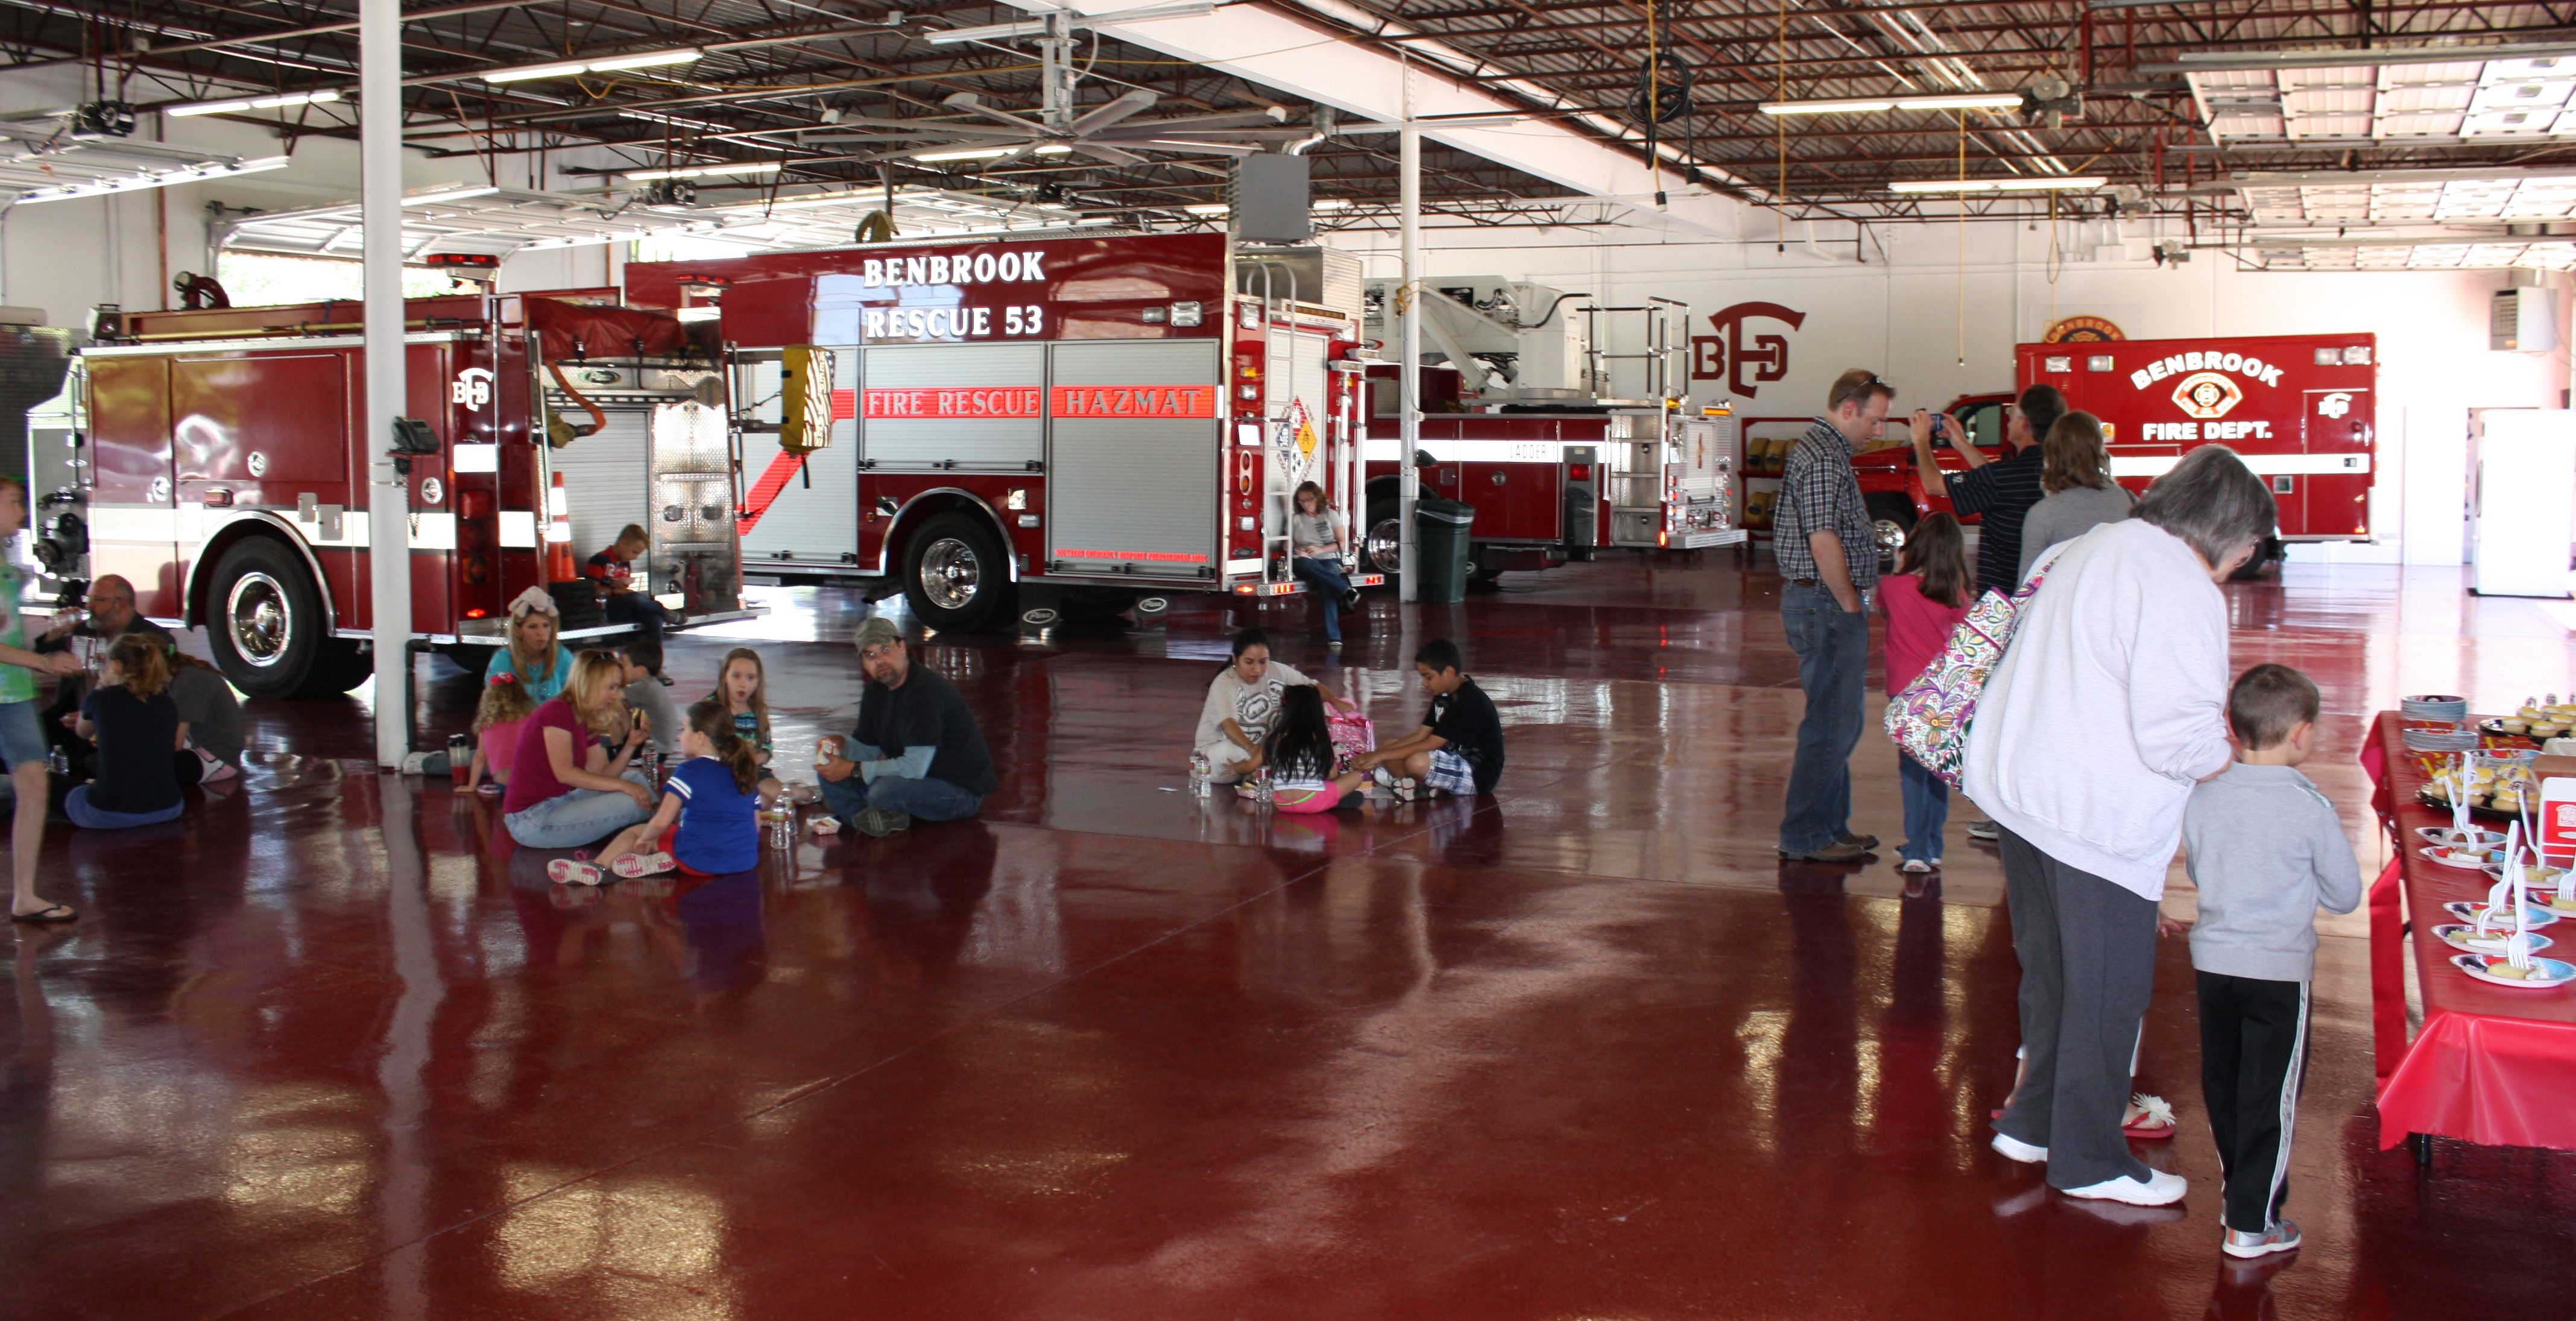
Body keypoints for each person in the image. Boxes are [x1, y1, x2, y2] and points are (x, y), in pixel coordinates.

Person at [1968, 444, 2278, 1208]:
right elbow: (2176, 735)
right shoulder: (2179, 583)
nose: (2246, 561)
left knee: (2053, 974)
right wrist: (2236, 760)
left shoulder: (2095, 543)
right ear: (2230, 530)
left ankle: (2032, 1124)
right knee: (2108, 990)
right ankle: (2090, 1159)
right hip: (2090, 814)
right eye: (2251, 544)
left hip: (2023, 789)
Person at [2183, 663, 2361, 1259]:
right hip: (2279, 971)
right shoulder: (2310, 806)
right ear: (2303, 734)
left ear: (2233, 728)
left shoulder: (2204, 795)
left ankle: (2241, 1194)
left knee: (2225, 1083)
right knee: (2271, 1095)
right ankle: (2252, 1223)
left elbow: (2198, 868)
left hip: (2215, 964)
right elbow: (2344, 895)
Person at [1775, 368, 1889, 863]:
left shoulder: (1827, 453)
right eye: (1875, 420)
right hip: (1826, 603)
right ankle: (1806, 834)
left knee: (1839, 720)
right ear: (1849, 409)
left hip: (1823, 601)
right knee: (1831, 725)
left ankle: (1829, 826)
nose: (1879, 431)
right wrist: (1848, 602)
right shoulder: (1824, 458)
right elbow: (1823, 539)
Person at [816, 616, 995, 836]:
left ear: (902, 647)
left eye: (885, 650)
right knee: (828, 769)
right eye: (870, 655)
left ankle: (860, 808)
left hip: (958, 789)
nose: (880, 660)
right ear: (863, 662)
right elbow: (868, 750)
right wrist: (841, 746)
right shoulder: (875, 691)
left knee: (883, 791)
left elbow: (914, 768)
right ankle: (865, 818)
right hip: (910, 778)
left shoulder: (924, 692)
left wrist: (853, 769)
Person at [553, 698, 762, 885]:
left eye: (684, 729)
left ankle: (596, 866)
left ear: (700, 737)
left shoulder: (689, 771)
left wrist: (644, 838)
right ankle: (658, 859)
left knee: (639, 832)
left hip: (699, 863)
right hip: (744, 861)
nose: (679, 736)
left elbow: (661, 822)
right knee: (680, 833)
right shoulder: (744, 770)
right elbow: (756, 825)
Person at [0, 481, 85, 921]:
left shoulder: (5, 567)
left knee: (34, 783)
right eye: (13, 502)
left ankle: (26, 896)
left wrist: (48, 637)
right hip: (12, 686)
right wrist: (44, 662)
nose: (22, 511)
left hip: (12, 693)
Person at [1880, 512, 1974, 881]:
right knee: (1937, 770)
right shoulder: (1955, 594)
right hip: (1944, 690)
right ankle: (1933, 846)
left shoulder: (1893, 588)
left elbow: (1884, 609)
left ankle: (1916, 850)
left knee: (1912, 772)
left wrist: (1899, 566)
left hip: (1905, 689)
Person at [1906, 383, 2065, 596]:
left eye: (2012, 413)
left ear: (2025, 424)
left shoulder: (2002, 477)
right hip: (2045, 593)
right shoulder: (2058, 472)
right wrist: (1961, 443)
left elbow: (1933, 484)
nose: (2008, 419)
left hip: (2003, 600)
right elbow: (1994, 478)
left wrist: (1921, 441)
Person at [502, 650, 657, 850]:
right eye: (611, 688)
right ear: (589, 683)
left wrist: (630, 746)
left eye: (617, 688)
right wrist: (622, 786)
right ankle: (654, 834)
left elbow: (601, 773)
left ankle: (650, 830)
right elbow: (565, 773)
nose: (616, 695)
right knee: (631, 799)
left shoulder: (584, 715)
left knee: (635, 781)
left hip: (560, 801)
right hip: (532, 819)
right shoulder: (557, 711)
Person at [36, 573, 176, 774]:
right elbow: (43, 663)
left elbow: (151, 693)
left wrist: (95, 716)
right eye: (88, 599)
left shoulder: (153, 639)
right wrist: (55, 634)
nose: (89, 606)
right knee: (30, 732)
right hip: (76, 714)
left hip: (123, 719)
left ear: (120, 604)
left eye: (97, 600)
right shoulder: (85, 631)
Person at [1348, 638, 1503, 800]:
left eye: (1429, 677)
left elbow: (1432, 743)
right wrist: (1378, 753)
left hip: (1477, 774)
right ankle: (1411, 785)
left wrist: (1379, 757)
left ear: (1449, 672)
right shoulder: (1444, 694)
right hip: (1450, 758)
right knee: (1387, 746)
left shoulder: (1468, 700)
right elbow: (1421, 734)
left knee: (1416, 762)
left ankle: (1411, 783)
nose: (1424, 683)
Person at [1192, 628, 1351, 784]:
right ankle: (1269, 769)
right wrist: (1253, 750)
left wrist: (1335, 701)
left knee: (1320, 708)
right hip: (1220, 756)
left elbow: (1311, 688)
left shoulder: (1278, 670)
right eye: (1249, 662)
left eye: (1263, 662)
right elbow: (1228, 725)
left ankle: (1264, 770)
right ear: (1235, 659)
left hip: (1264, 751)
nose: (1257, 669)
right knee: (1240, 752)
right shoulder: (1225, 683)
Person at [68, 634, 184, 829]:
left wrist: (101, 684)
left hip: (109, 811)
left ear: (115, 666)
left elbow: (82, 732)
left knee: (53, 785)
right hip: (169, 807)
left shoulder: (99, 699)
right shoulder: (167, 703)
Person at [2017, 411, 2139, 586]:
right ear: (2099, 449)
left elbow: (2027, 589)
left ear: (2052, 455)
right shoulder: (2129, 502)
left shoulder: (2043, 514)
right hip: (2121, 601)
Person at [1288, 482, 1360, 647]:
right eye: (1301, 501)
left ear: (1317, 498)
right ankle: (1345, 590)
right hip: (1304, 559)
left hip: (1329, 557)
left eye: (1308, 500)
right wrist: (1292, 547)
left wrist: (1320, 550)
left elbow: (1342, 543)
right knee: (1307, 565)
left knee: (1327, 582)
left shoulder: (1330, 515)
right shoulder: (1296, 519)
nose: (1305, 504)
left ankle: (1334, 636)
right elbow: (1287, 542)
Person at [1260, 685, 1350, 813]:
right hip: (1311, 801)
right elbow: (1332, 775)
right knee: (1355, 777)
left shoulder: (1275, 737)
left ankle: (1332, 800)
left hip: (1281, 802)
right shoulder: (1318, 738)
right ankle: (1335, 801)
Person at [586, 523, 681, 645]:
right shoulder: (599, 560)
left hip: (625, 607)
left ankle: (654, 652)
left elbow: (623, 590)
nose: (636, 557)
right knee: (635, 599)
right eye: (634, 552)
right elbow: (592, 591)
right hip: (605, 609)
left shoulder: (625, 563)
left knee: (654, 618)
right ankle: (664, 611)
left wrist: (621, 585)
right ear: (622, 544)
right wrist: (617, 591)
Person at [166, 652, 244, 787]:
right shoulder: (178, 676)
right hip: (201, 747)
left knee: (149, 770)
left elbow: (174, 745)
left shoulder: (187, 681)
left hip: (220, 757)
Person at [486, 587, 576, 702]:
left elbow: (574, 700)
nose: (541, 633)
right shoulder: (503, 659)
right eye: (532, 627)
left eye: (546, 626)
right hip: (515, 714)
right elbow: (494, 703)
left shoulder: (563, 657)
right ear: (518, 630)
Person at [464, 672, 538, 796]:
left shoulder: (486, 723)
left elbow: (480, 757)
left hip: (503, 785)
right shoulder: (530, 718)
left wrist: (471, 786)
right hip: (530, 783)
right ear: (522, 695)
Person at [620, 637, 681, 757]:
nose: (620, 668)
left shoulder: (644, 687)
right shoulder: (652, 684)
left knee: (616, 707)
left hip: (654, 748)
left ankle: (615, 750)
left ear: (640, 670)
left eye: (624, 664)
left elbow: (612, 696)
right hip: (662, 746)